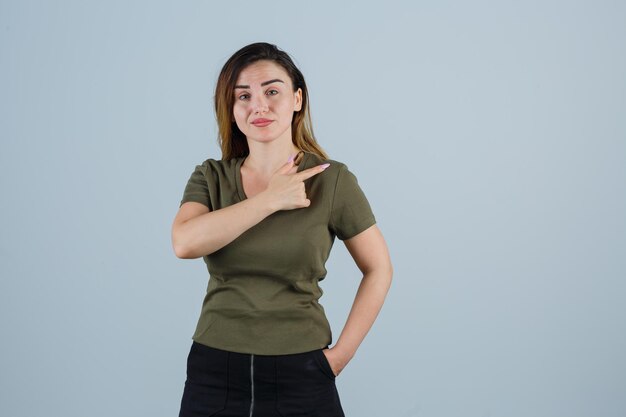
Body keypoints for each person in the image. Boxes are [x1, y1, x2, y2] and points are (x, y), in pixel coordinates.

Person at [171, 42, 393, 417]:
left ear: (297, 99)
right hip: (215, 370)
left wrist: (340, 357)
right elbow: (185, 243)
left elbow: (379, 269)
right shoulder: (211, 177)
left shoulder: (332, 180)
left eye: (272, 91)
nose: (258, 105)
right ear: (231, 108)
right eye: (243, 95)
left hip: (302, 371)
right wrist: (269, 199)